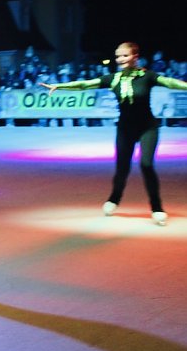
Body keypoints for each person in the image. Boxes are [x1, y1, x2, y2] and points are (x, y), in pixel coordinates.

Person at [40, 42, 187, 226]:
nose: (120, 60)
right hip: (125, 129)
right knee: (122, 168)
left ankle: (157, 208)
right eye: (118, 56)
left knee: (146, 165)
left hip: (147, 127)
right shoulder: (113, 79)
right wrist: (60, 86)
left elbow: (169, 82)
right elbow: (85, 85)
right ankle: (114, 199)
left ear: (135, 56)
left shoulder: (147, 76)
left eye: (124, 56)